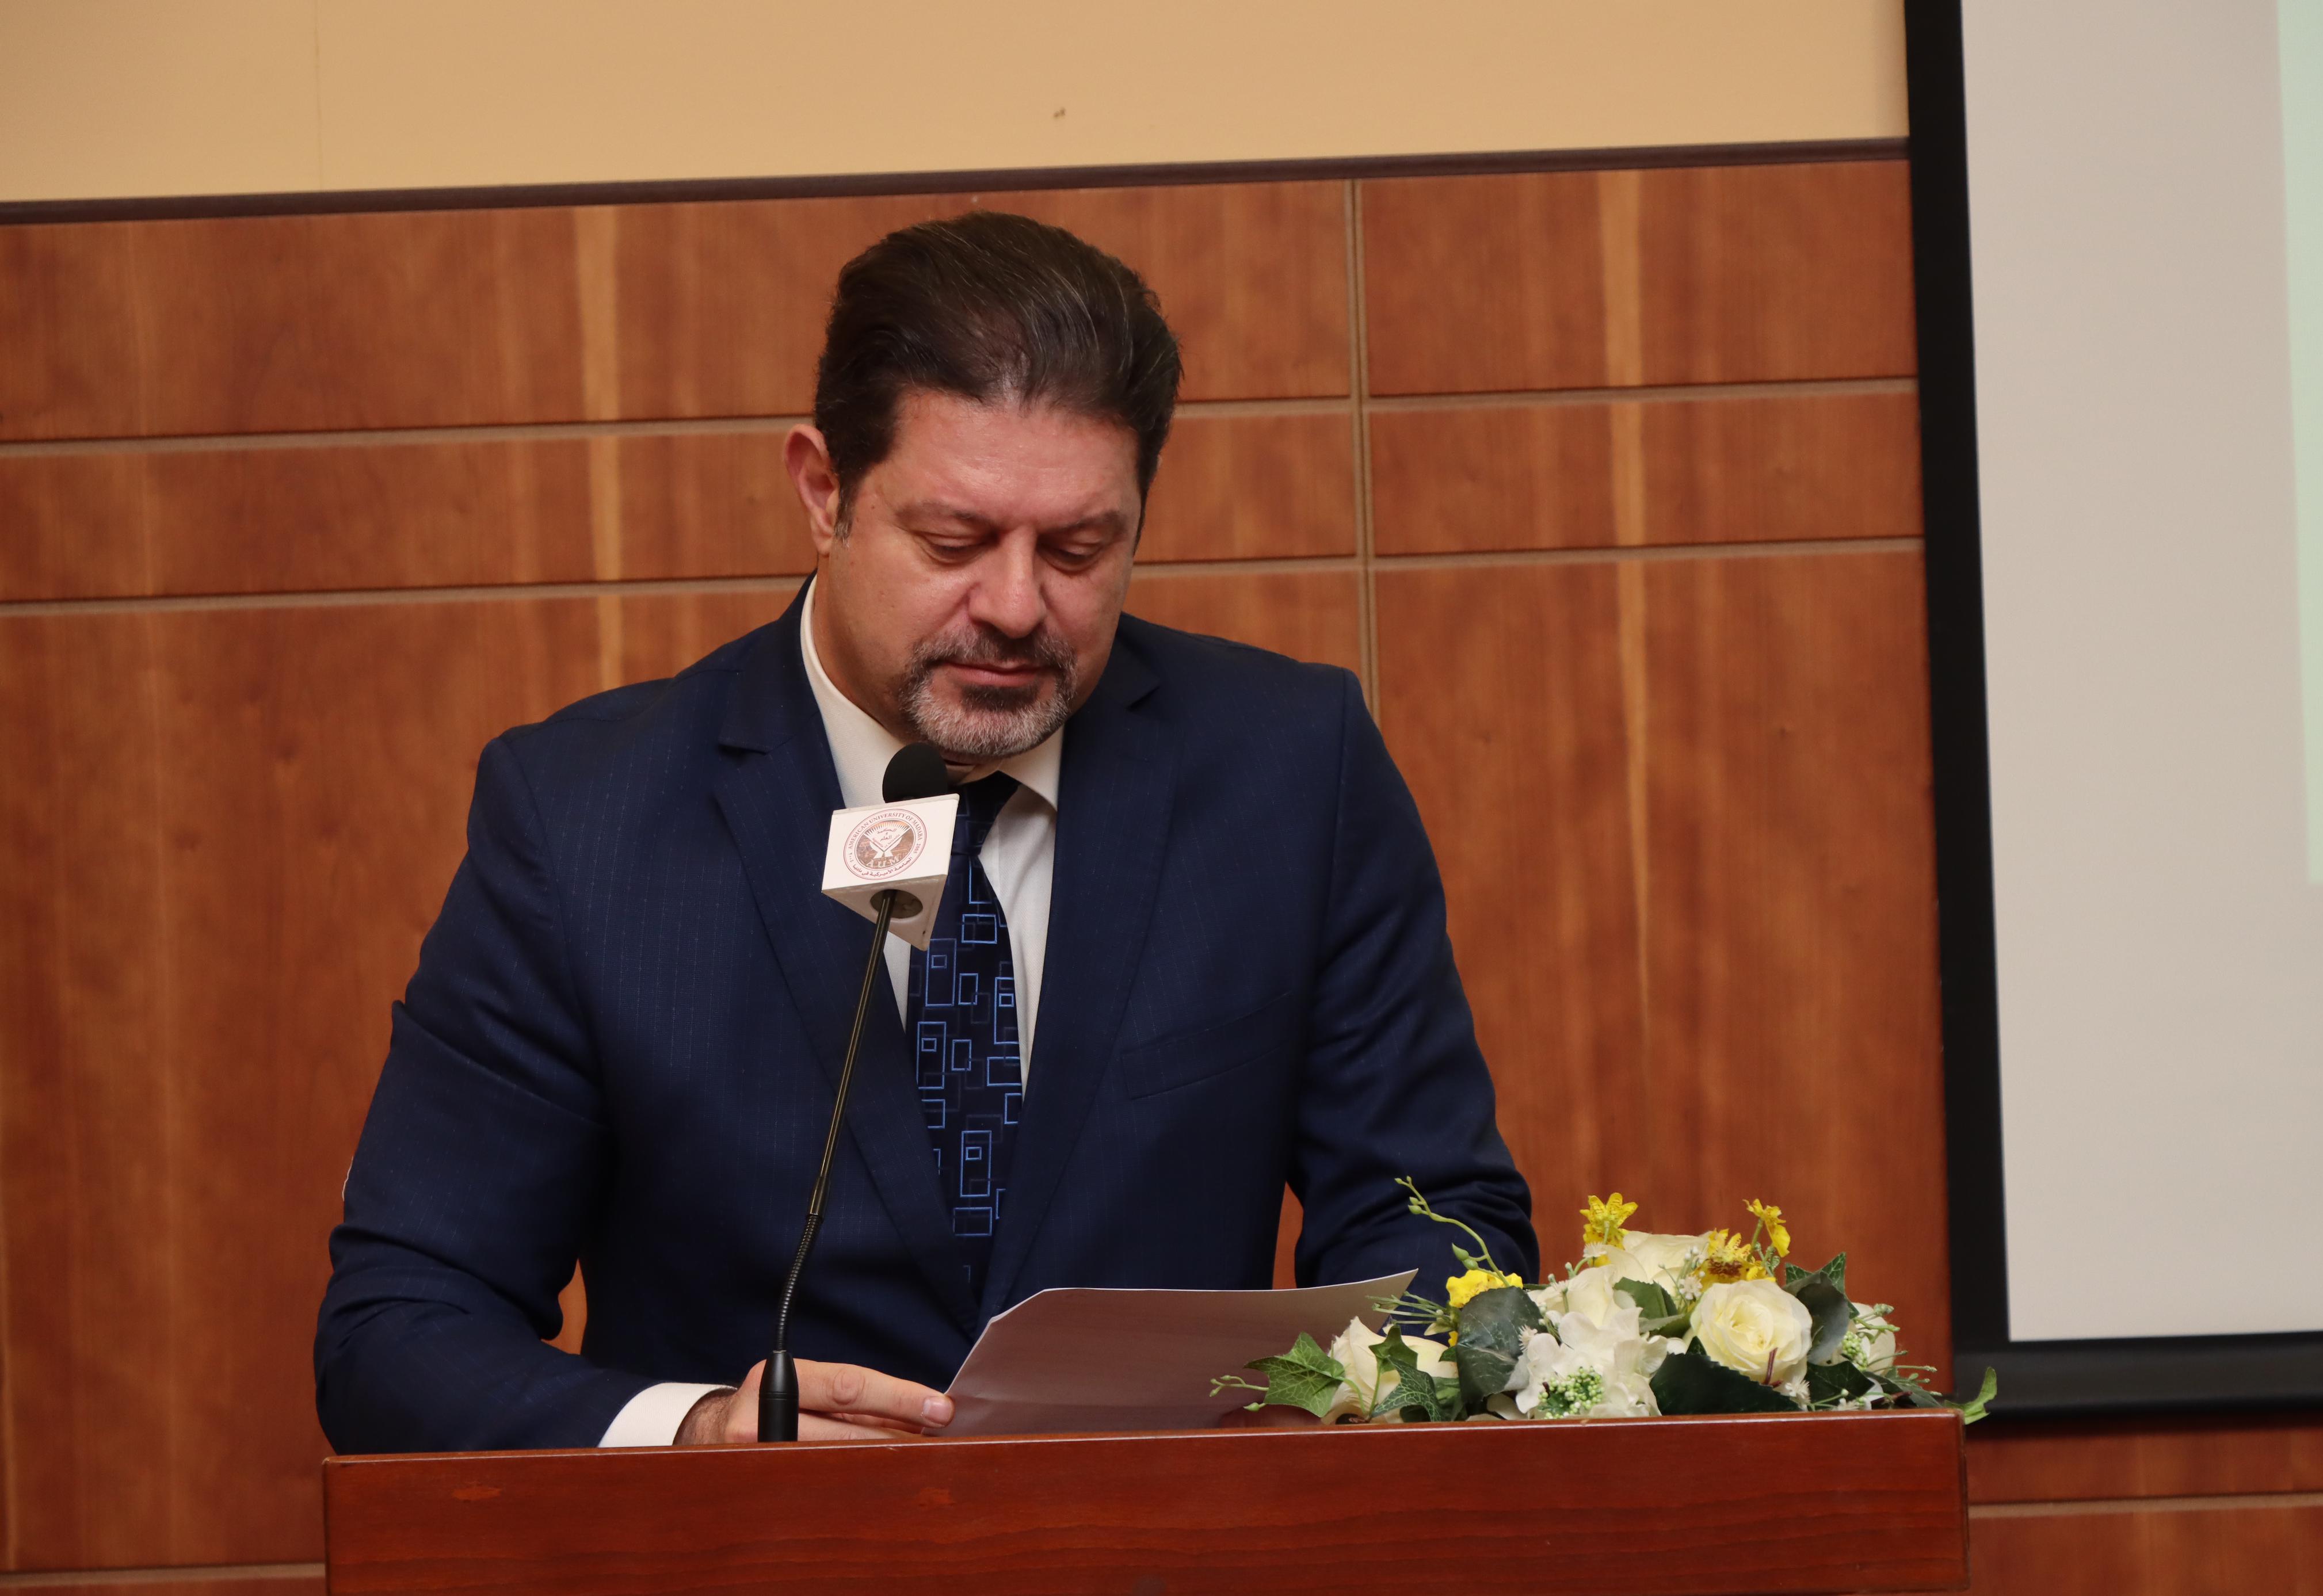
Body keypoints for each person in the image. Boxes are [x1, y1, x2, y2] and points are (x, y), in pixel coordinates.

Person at [315, 210, 1534, 1452]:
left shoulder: (1291, 772)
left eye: (1078, 549)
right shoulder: (584, 820)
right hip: (762, 1546)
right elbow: (397, 1328)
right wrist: (697, 1434)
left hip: (1179, 1535)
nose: (1015, 605)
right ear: (824, 490)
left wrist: (1326, 1410)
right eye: (953, 541)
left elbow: (1442, 1219)